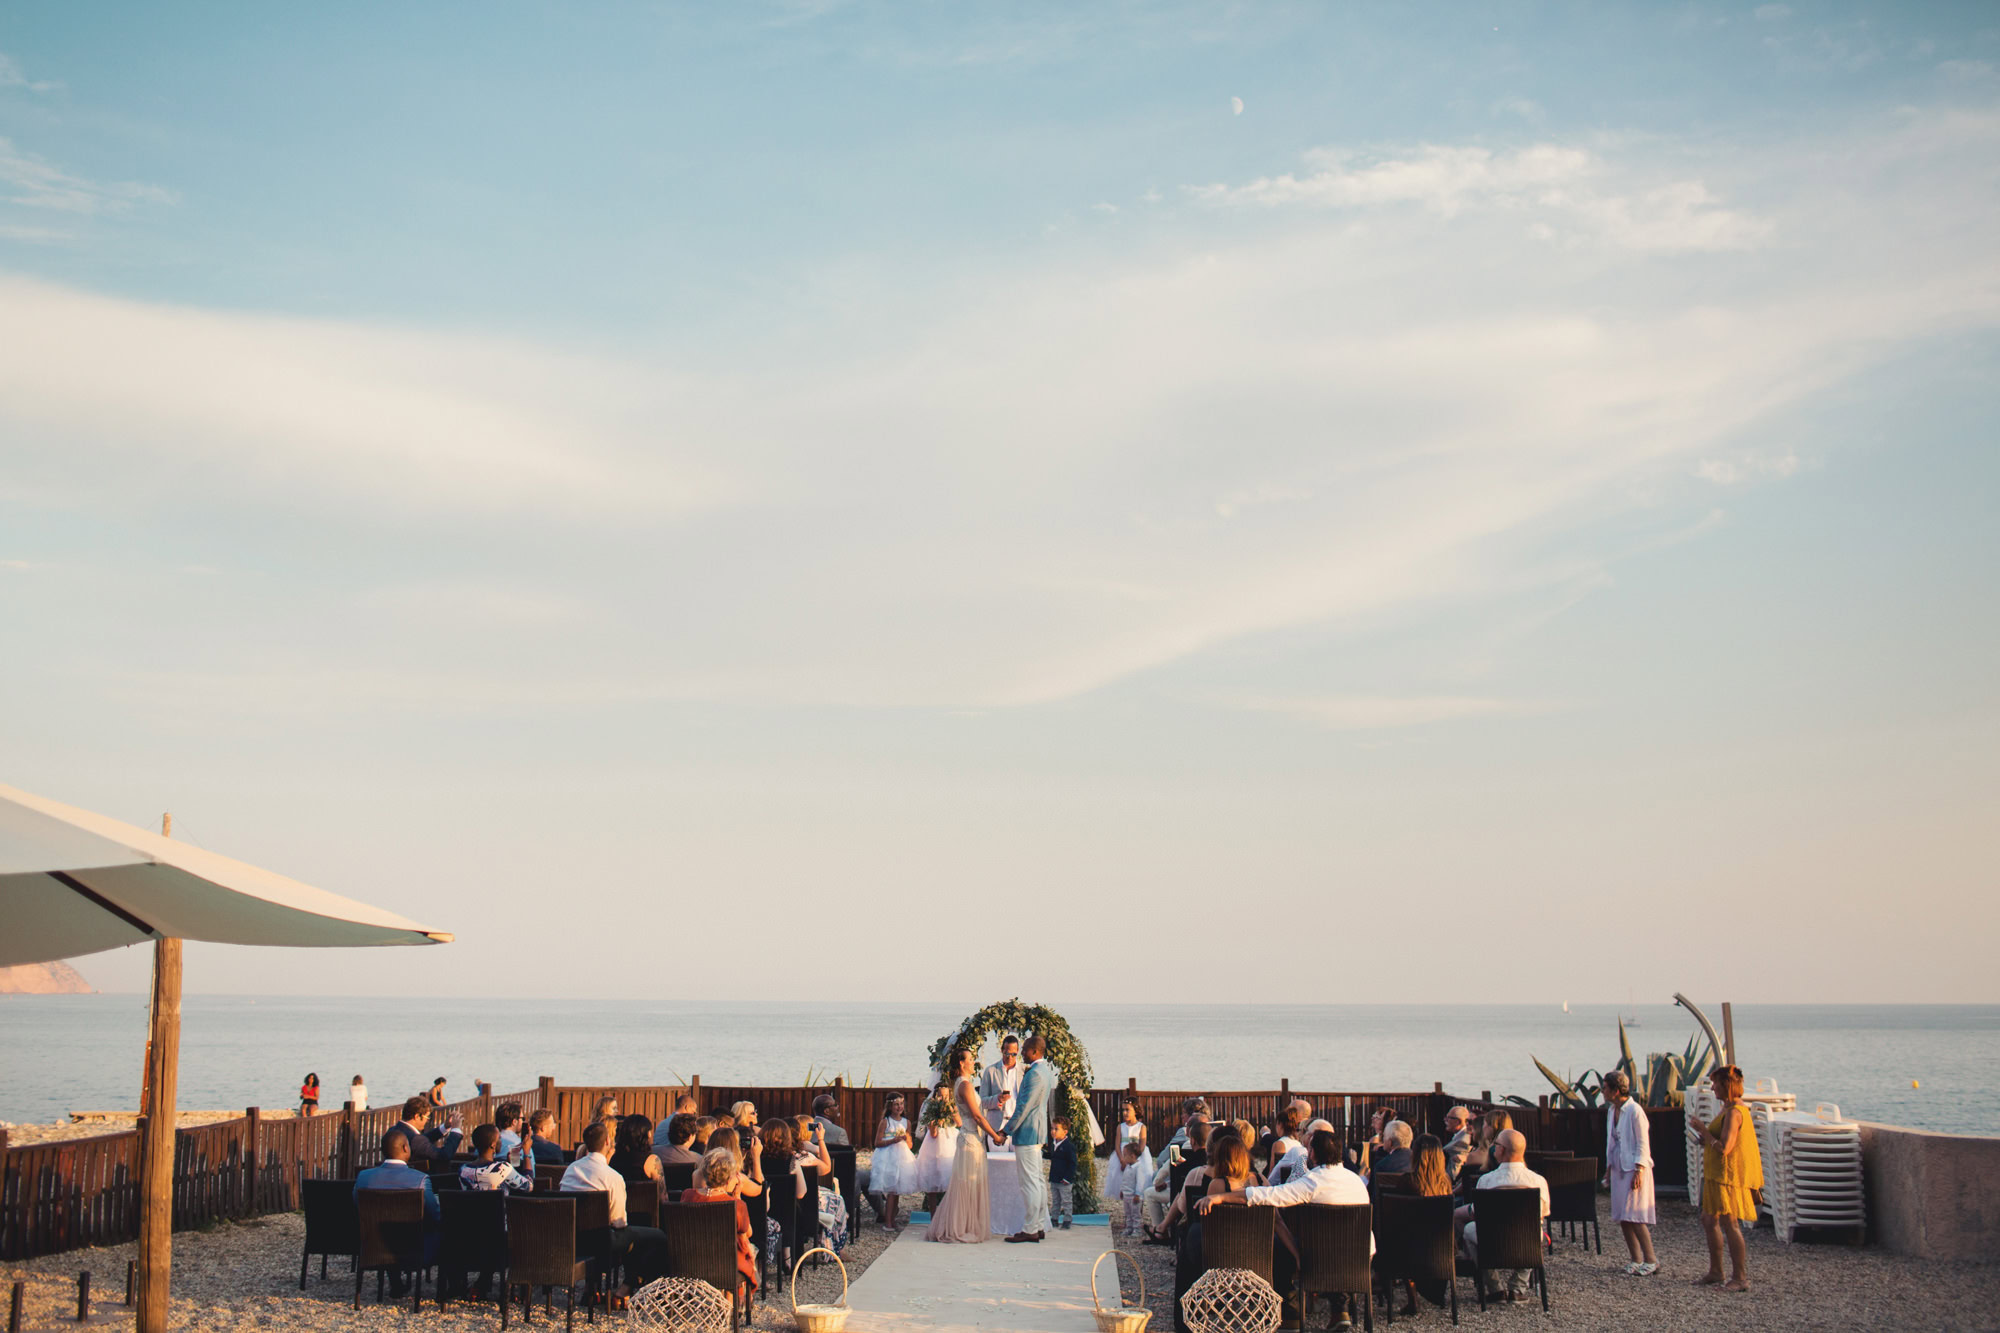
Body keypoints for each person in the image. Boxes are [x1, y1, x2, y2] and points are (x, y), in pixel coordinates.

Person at [1200, 1130, 1370, 1332]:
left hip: (1319, 1259)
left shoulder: (1312, 1181)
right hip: (1359, 1257)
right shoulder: (1356, 1181)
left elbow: (1271, 1195)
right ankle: (1340, 1308)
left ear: (1313, 1153)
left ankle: (1290, 1313)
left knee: (1282, 1252)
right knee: (1330, 1244)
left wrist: (1221, 1197)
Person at [561, 1122, 668, 1293]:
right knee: (657, 1237)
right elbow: (619, 1221)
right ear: (606, 1142)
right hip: (603, 1240)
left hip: (574, 1239)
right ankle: (626, 1288)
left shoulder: (570, 1170)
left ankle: (593, 1288)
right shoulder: (612, 1177)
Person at [1689, 1065, 1761, 1293]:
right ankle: (1716, 1271)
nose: (1713, 1088)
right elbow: (1717, 1141)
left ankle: (1740, 1277)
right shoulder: (1726, 1109)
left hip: (1726, 1177)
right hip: (1715, 1175)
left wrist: (1704, 1131)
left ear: (1726, 1086)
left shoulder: (1735, 1113)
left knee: (1730, 1223)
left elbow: (1725, 1148)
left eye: (1716, 1084)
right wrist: (1705, 1138)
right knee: (1709, 1220)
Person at [1460, 1129, 1549, 1304]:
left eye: (1496, 1145)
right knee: (1537, 1231)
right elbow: (1543, 1214)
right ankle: (1518, 1286)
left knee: (1469, 1230)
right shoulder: (1538, 1181)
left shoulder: (1486, 1180)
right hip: (1526, 1239)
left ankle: (1495, 1288)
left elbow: (1478, 1214)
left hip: (1492, 1239)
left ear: (1501, 1150)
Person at [927, 1048, 1005, 1243]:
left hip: (973, 1140)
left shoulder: (963, 1084)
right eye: (971, 1059)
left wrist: (997, 1101)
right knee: (967, 1184)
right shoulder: (965, 1086)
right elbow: (977, 1116)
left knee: (971, 1183)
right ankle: (958, 1227)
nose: (974, 1062)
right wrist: (995, 1135)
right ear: (962, 1063)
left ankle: (968, 1224)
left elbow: (979, 1108)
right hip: (970, 1140)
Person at [355, 1128, 441, 1294]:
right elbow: (433, 1214)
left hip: (374, 1247)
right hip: (414, 1249)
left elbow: (357, 1205)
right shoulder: (420, 1179)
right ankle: (452, 1287)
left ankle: (395, 1280)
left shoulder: (363, 1177)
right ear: (405, 1148)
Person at [680, 1145, 759, 1316]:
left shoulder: (687, 1195)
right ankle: (731, 1303)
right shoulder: (736, 1205)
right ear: (729, 1177)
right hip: (725, 1264)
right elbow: (748, 1232)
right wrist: (737, 1196)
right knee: (744, 1246)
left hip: (690, 1262)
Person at [996, 1033, 1055, 1244]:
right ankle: (1038, 1225)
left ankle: (1030, 1228)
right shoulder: (1045, 1071)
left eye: (1024, 1050)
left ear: (1035, 1052)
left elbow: (1023, 1108)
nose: (1021, 1053)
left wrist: (1005, 1131)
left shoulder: (1035, 1074)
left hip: (1028, 1133)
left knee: (1029, 1183)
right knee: (1037, 1181)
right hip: (1037, 1132)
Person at [1603, 1070, 1658, 1275]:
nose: (1603, 1092)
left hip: (1634, 1169)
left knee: (1635, 1215)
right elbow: (1611, 1141)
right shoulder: (1611, 1111)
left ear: (1616, 1091)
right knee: (1623, 1217)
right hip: (1618, 1167)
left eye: (1606, 1088)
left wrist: (1639, 1170)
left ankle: (1651, 1259)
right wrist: (1608, 1169)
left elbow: (1643, 1143)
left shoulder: (1635, 1111)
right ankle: (1636, 1258)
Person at [789, 1113, 848, 1251]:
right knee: (837, 1201)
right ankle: (833, 1247)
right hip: (808, 1203)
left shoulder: (788, 1154)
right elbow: (826, 1168)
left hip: (788, 1203)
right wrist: (820, 1140)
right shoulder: (805, 1157)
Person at [868, 1093, 917, 1232]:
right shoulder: (886, 1121)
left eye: (901, 1104)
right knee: (891, 1190)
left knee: (897, 1191)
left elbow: (910, 1144)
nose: (899, 1107)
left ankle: (893, 1219)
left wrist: (906, 1138)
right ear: (890, 1106)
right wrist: (892, 1140)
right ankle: (888, 1222)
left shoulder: (906, 1122)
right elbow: (877, 1142)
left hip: (901, 1156)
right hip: (887, 1156)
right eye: (896, 1104)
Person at [914, 1082, 960, 1209]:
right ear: (935, 1097)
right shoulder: (931, 1110)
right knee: (932, 1178)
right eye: (941, 1096)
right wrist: (937, 1116)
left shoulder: (952, 1107)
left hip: (950, 1142)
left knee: (950, 1178)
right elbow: (933, 1133)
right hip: (934, 1144)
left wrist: (950, 1111)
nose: (943, 1099)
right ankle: (933, 1214)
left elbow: (960, 1123)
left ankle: (949, 1212)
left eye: (946, 1096)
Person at [386, 1094, 463, 1166]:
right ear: (417, 1117)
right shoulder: (416, 1140)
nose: (427, 1121)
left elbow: (423, 1140)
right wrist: (455, 1130)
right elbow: (443, 1156)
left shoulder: (393, 1130)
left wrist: (445, 1127)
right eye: (427, 1117)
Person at [1104, 1099, 1154, 1207]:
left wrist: (1135, 1160)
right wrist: (1122, 1160)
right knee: (1125, 1182)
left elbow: (1142, 1145)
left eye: (1128, 1110)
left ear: (1135, 1111)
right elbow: (1117, 1145)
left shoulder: (1141, 1127)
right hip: (1123, 1155)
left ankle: (1138, 1210)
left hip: (1137, 1156)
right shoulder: (1120, 1127)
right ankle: (1128, 1211)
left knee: (1138, 1180)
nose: (1124, 1113)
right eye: (1123, 1110)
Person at [460, 1123, 533, 1191]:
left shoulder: (463, 1169)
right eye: (499, 1138)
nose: (501, 1141)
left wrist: (510, 1164)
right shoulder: (502, 1168)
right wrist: (526, 1153)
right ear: (493, 1145)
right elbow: (529, 1186)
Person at [979, 1035, 1024, 1139]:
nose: (1010, 1057)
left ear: (1018, 1051)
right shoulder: (990, 1071)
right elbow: (982, 1102)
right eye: (1007, 1053)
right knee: (996, 1156)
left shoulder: (1024, 1071)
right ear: (1002, 1050)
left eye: (1014, 1054)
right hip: (996, 1127)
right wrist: (997, 1100)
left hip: (1017, 1126)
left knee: (1018, 1155)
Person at [610, 1114, 665, 1194]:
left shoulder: (614, 1158)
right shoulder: (651, 1160)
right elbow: (662, 1195)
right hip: (646, 1205)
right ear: (647, 1134)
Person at [1048, 1115, 1078, 1230]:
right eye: (1052, 1128)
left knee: (1066, 1200)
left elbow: (1072, 1163)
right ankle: (1054, 1218)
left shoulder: (1068, 1146)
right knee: (1055, 1200)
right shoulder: (1053, 1144)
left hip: (1064, 1180)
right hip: (1055, 1177)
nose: (1053, 1131)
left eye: (1056, 1129)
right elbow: (1052, 1156)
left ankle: (1067, 1220)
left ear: (1065, 1132)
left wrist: (1068, 1178)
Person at [1441, 1106, 1473, 1181]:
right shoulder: (1460, 1136)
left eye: (1448, 1118)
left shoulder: (1462, 1142)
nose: (1445, 1120)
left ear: (1458, 1121)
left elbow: (1453, 1173)